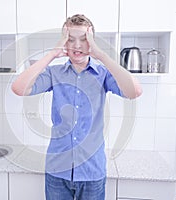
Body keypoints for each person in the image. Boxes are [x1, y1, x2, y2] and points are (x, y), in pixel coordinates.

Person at [12, 14, 142, 200]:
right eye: (70, 39)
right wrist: (51, 54)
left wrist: (102, 55)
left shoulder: (103, 74)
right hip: (57, 172)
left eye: (84, 39)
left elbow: (134, 91)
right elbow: (18, 88)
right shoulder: (54, 73)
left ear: (92, 42)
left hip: (92, 172)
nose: (77, 45)